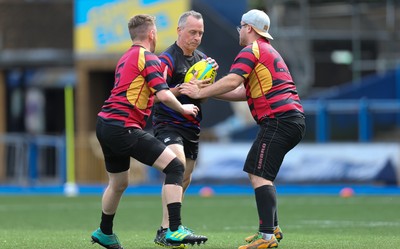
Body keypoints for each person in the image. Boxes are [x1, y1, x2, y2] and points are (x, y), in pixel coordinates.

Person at [180, 9, 306, 249]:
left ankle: (266, 237)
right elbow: (242, 92)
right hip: (289, 119)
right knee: (259, 171)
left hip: (279, 119)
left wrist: (199, 91)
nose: (239, 31)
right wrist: (208, 93)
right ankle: (273, 228)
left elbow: (233, 81)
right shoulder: (268, 51)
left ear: (249, 28)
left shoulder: (250, 50)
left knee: (259, 174)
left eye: (241, 26)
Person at [90, 14, 207, 249]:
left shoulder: (126, 58)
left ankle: (104, 232)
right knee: (175, 166)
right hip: (124, 126)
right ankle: (173, 230)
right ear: (152, 34)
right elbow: (162, 95)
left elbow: (148, 95)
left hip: (105, 124)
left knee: (118, 182)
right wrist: (183, 107)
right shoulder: (149, 58)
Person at [151, 10, 218, 248]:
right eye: (192, 32)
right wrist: (181, 90)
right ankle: (174, 229)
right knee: (176, 166)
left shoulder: (203, 61)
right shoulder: (166, 59)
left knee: (185, 177)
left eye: (200, 33)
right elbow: (154, 96)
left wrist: (204, 87)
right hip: (168, 124)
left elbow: (202, 99)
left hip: (192, 126)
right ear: (179, 31)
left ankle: (165, 228)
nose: (196, 37)